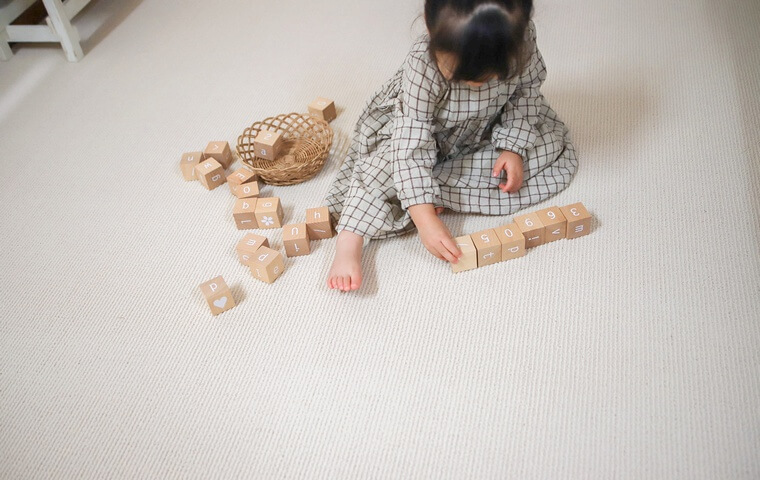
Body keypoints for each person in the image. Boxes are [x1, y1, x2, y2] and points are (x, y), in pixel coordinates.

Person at [324, 0, 577, 291]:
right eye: (463, 76)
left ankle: (429, 192)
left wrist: (513, 147)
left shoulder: (520, 41)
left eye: (490, 76)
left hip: (488, 125)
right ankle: (350, 239)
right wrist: (425, 221)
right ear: (430, 29)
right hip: (423, 132)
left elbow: (526, 93)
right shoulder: (422, 65)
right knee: (380, 167)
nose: (478, 86)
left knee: (548, 145)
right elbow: (410, 146)